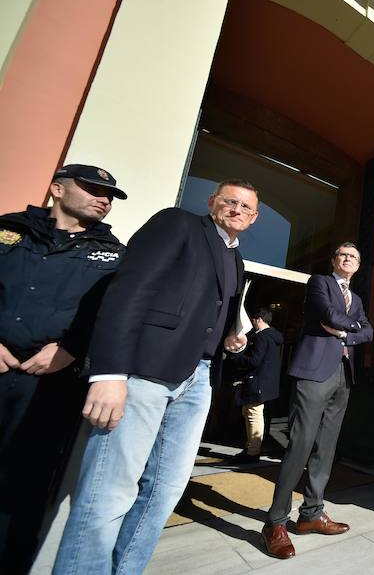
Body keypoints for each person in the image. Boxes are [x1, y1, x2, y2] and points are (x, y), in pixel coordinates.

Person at [53, 179, 258, 574]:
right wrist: (109, 373)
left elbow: (207, 312)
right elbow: (129, 292)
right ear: (212, 202)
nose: (237, 210)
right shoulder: (177, 224)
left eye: (246, 207)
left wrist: (228, 339)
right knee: (109, 492)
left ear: (254, 217)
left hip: (198, 379)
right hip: (144, 372)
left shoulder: (236, 258)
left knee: (164, 492)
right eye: (229, 201)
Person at [0, 165, 126, 574]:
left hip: (48, 386)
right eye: (93, 189)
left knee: (23, 491)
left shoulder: (115, 254)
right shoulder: (9, 231)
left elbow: (111, 315)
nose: (103, 198)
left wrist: (71, 349)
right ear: (57, 188)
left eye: (109, 194)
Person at [261, 243, 373, 559]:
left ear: (359, 265)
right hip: (313, 373)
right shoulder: (320, 283)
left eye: (355, 256)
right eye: (343, 255)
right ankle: (275, 523)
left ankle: (311, 513)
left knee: (326, 448)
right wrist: (352, 327)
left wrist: (343, 334)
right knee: (300, 445)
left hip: (343, 375)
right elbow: (328, 313)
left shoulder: (359, 299)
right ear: (334, 260)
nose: (349, 259)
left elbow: (368, 332)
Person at [228, 307, 283, 463]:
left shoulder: (261, 337)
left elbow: (254, 361)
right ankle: (252, 447)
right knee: (252, 412)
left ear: (259, 319)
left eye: (253, 320)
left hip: (257, 381)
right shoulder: (274, 337)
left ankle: (252, 452)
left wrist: (237, 357)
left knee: (253, 413)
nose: (252, 323)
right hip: (266, 381)